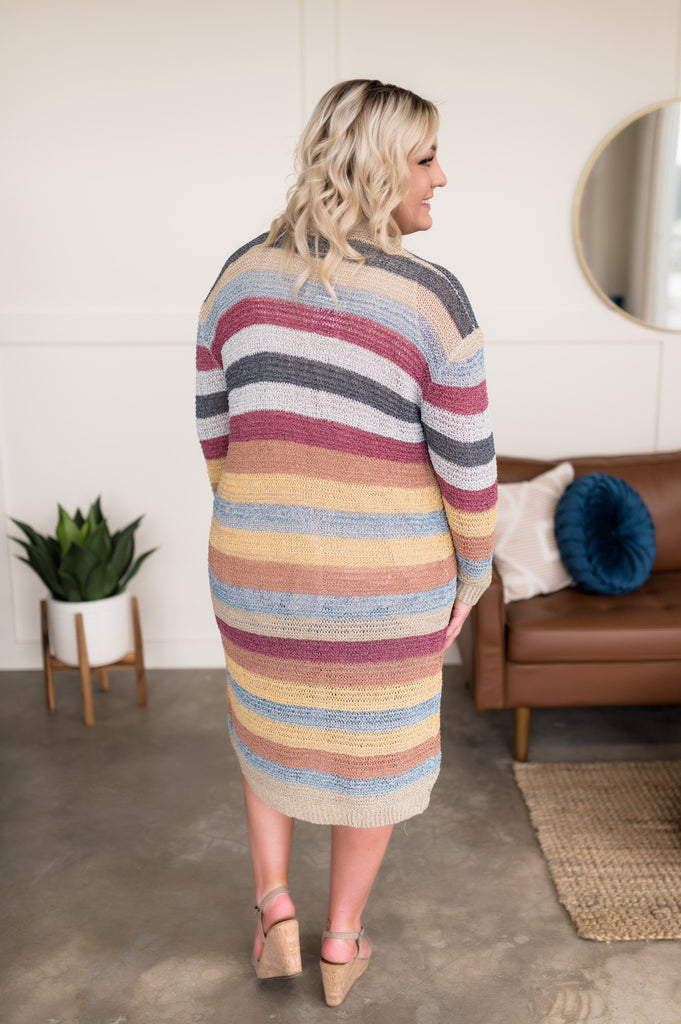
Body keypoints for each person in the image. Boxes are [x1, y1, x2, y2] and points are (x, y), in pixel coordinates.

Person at [195, 78, 496, 1007]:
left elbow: (216, 435)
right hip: (386, 581)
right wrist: (472, 577)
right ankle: (340, 939)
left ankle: (273, 907)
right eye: (425, 158)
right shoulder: (430, 297)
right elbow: (467, 469)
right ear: (374, 165)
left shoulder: (237, 277)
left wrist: (264, 525)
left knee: (266, 729)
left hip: (253, 565)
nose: (441, 176)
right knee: (374, 755)